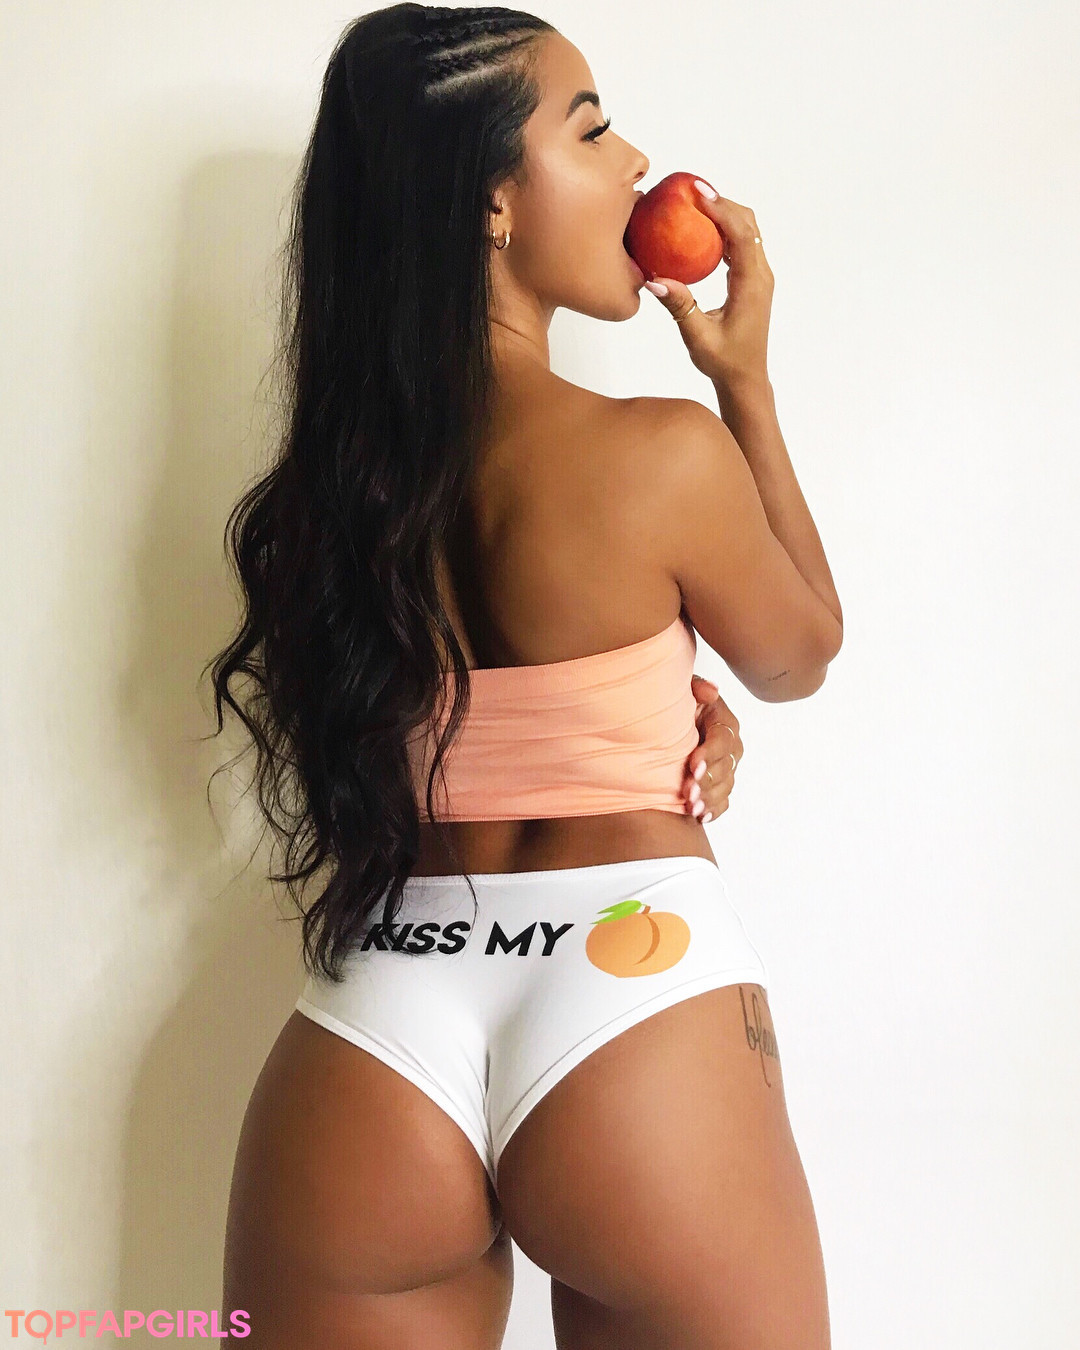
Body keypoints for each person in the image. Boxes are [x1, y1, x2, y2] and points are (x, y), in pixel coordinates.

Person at [207, 5, 842, 1346]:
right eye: (593, 129)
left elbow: (452, 731)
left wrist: (649, 712)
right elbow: (799, 654)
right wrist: (746, 387)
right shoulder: (659, 453)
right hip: (633, 989)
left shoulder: (331, 502)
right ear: (492, 200)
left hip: (381, 1017)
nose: (637, 163)